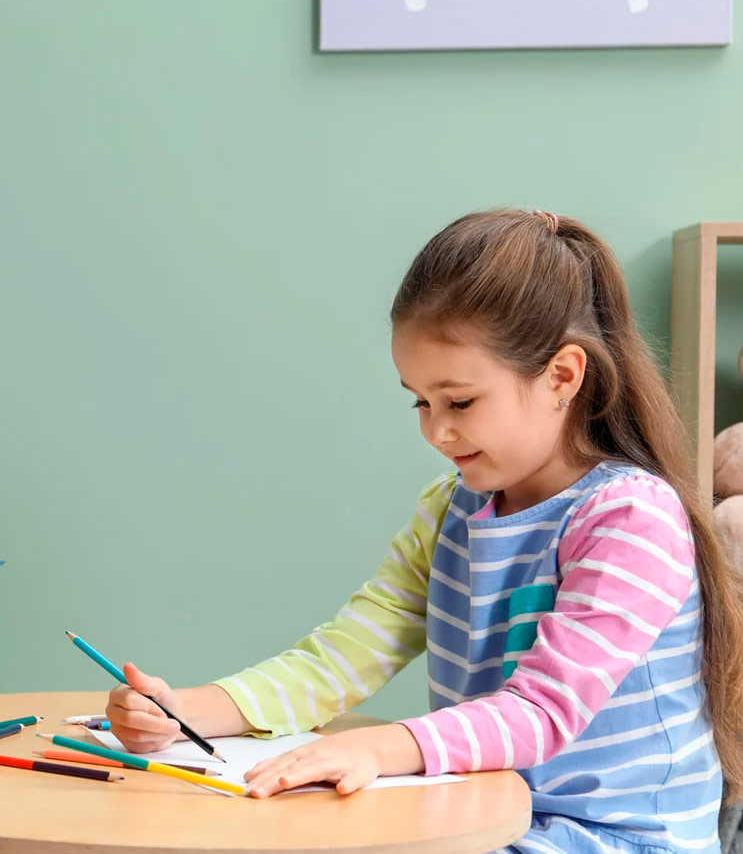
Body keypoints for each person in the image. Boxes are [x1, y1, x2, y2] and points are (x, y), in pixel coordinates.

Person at [107, 208, 743, 853]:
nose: (436, 431)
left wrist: (383, 746)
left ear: (561, 377)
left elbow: (543, 712)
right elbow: (348, 652)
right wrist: (187, 710)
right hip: (489, 817)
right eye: (420, 400)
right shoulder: (452, 510)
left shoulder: (630, 519)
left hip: (620, 839)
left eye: (459, 401)